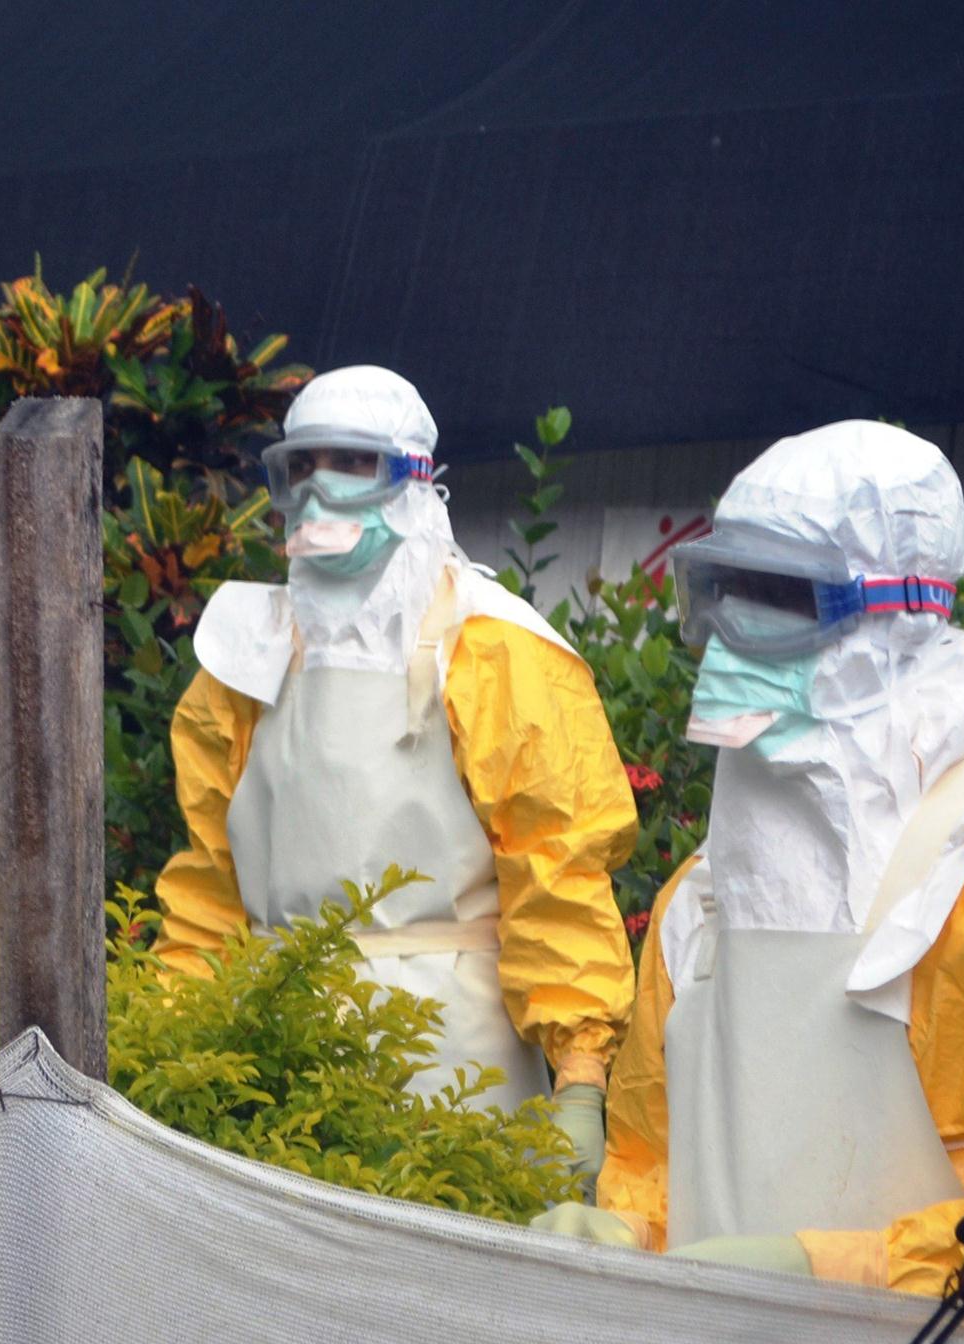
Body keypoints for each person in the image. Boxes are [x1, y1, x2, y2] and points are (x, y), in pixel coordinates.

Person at [536, 420, 964, 1299]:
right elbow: (655, 1166)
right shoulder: (701, 903)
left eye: (778, 595)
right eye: (721, 590)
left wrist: (864, 1270)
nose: (729, 639)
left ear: (906, 616)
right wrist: (625, 1232)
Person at [153, 366, 634, 1165]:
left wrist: (580, 1072)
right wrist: (178, 1038)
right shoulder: (245, 654)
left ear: (416, 481)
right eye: (299, 468)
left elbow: (558, 872)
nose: (317, 492)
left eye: (350, 464)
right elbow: (210, 885)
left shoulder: (500, 650)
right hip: (274, 1057)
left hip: (457, 1069)